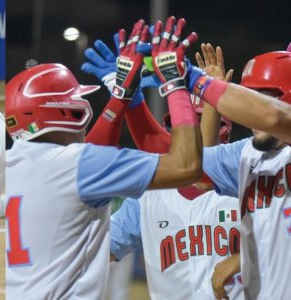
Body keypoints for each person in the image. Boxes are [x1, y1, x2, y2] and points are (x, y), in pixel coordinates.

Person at [5, 17, 203, 299]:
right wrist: (174, 82)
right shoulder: (78, 165)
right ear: (66, 112)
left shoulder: (10, 164)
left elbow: (85, 163)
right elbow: (187, 166)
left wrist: (121, 96)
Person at [82, 37, 244, 300]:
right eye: (188, 121)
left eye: (200, 120)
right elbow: (98, 251)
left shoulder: (248, 180)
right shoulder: (149, 194)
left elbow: (200, 162)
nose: (193, 130)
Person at [202, 50, 291, 300]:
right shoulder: (246, 153)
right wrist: (212, 96)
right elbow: (199, 170)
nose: (251, 113)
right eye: (248, 100)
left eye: (263, 101)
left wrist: (243, 257)